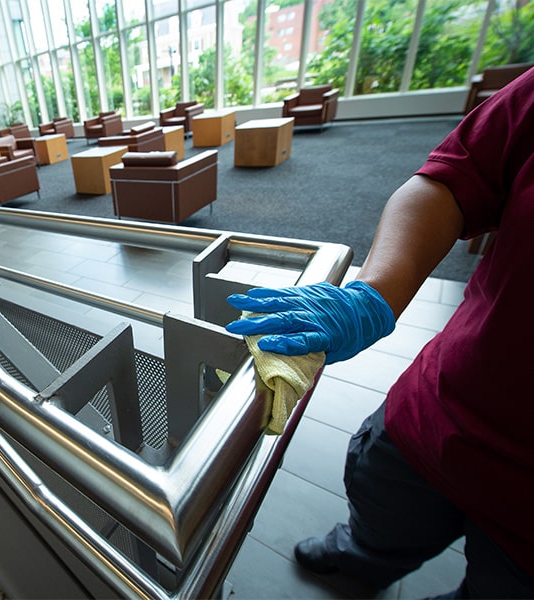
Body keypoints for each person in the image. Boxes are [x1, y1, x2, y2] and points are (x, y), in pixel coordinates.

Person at [225, 66, 534, 598]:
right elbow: (447, 181)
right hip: (438, 409)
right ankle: (358, 556)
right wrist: (374, 294)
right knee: (380, 504)